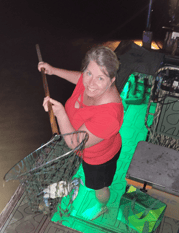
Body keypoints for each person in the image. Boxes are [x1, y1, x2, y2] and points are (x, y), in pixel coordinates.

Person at [38, 46, 123, 221]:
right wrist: (53, 71)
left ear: (111, 80)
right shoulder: (87, 82)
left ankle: (102, 206)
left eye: (101, 78)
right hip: (85, 152)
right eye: (89, 73)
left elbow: (75, 142)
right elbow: (79, 78)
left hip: (99, 158)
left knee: (99, 186)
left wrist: (60, 113)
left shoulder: (109, 115)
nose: (90, 83)